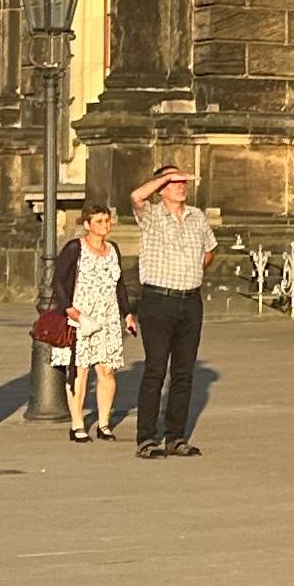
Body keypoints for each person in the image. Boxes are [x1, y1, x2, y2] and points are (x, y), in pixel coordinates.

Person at [127, 165, 215, 458]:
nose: (181, 185)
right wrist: (164, 177)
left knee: (184, 372)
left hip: (189, 300)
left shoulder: (197, 216)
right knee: (155, 370)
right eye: (174, 182)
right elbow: (136, 196)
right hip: (158, 300)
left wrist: (194, 269)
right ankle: (146, 438)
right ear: (161, 188)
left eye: (182, 181)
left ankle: (175, 436)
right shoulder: (152, 215)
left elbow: (210, 249)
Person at [49, 199, 133, 441]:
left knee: (107, 370)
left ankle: (104, 423)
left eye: (107, 220)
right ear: (87, 224)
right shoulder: (75, 248)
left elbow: (119, 284)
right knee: (80, 370)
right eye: (99, 221)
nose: (105, 225)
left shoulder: (113, 249)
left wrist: (127, 313)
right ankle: (77, 424)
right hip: (81, 315)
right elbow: (59, 280)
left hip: (108, 316)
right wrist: (68, 308)